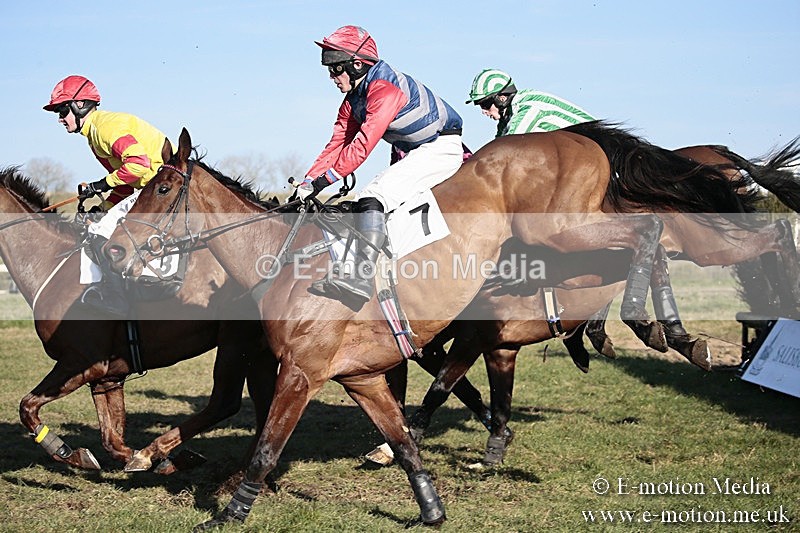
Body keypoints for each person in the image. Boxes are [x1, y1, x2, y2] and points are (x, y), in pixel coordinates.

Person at [297, 25, 464, 307]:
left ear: (357, 64)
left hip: (439, 148)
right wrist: (306, 182)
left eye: (336, 69)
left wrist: (325, 181)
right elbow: (337, 142)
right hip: (414, 151)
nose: (331, 77)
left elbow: (364, 143)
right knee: (368, 201)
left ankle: (361, 279)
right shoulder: (353, 100)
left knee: (372, 196)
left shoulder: (384, 89)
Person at [43, 75, 171, 317]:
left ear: (80, 105)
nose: (60, 119)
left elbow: (138, 165)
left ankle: (117, 299)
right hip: (151, 188)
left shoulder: (105, 128)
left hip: (158, 188)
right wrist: (103, 207)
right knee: (101, 222)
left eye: (62, 110)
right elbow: (125, 183)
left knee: (98, 232)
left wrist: (99, 185)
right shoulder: (95, 135)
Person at [465, 68, 594, 137]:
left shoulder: (528, 107)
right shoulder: (507, 118)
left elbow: (509, 146)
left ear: (502, 98)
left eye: (485, 104)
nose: (484, 111)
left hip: (604, 150)